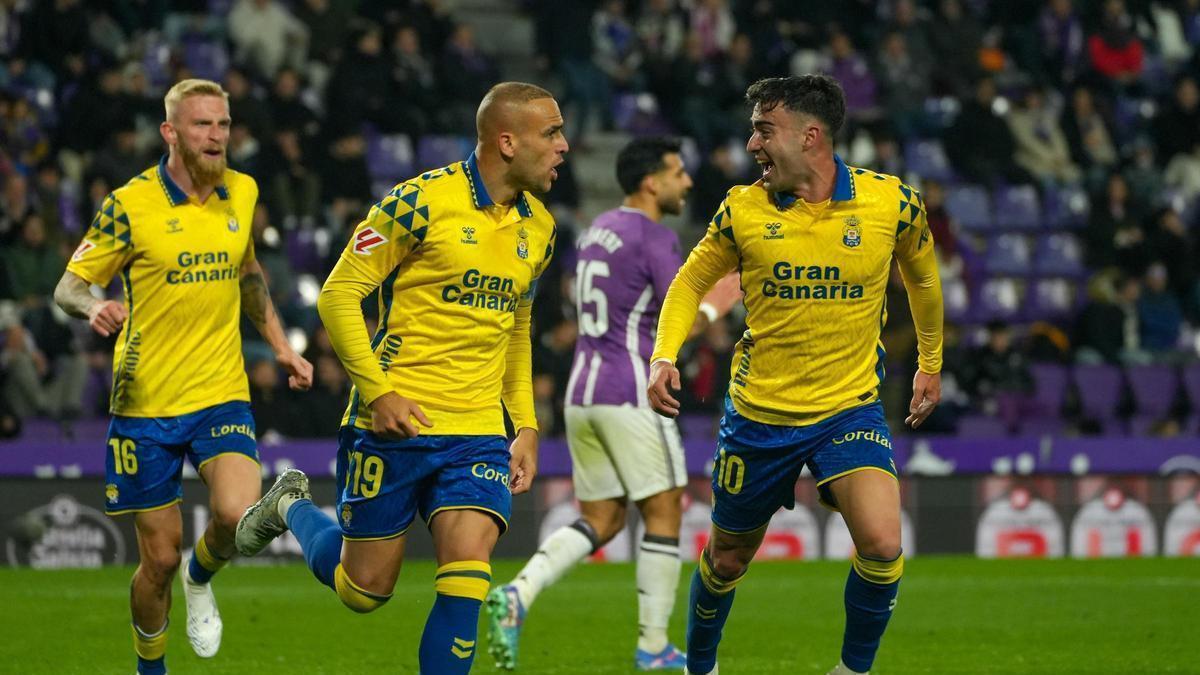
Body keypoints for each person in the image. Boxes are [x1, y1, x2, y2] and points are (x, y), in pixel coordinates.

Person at [235, 81, 567, 675]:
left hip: (476, 433)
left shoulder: (539, 227)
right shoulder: (418, 202)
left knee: (467, 575)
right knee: (363, 591)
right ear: (508, 141)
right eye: (552, 132)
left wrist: (526, 423)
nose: (565, 145)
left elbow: (516, 327)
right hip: (393, 422)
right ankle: (291, 506)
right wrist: (377, 391)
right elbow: (339, 295)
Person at [647, 75, 943, 675]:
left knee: (884, 545)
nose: (752, 144)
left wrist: (930, 363)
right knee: (728, 560)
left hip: (848, 408)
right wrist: (662, 354)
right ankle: (698, 666)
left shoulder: (892, 203)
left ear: (810, 136)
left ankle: (852, 669)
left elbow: (924, 278)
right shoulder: (743, 209)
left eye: (763, 129)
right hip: (761, 415)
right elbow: (689, 282)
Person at [52, 78, 314, 675]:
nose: (217, 136)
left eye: (223, 124)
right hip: (145, 403)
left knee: (235, 515)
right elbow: (68, 283)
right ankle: (151, 666)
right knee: (158, 562)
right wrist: (94, 307)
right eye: (202, 125)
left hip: (222, 392)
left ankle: (203, 577)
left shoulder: (242, 192)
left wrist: (281, 348)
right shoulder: (130, 204)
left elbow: (248, 274)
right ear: (171, 132)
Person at [485, 137, 742, 671]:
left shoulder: (598, 229)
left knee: (602, 519)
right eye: (677, 172)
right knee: (666, 505)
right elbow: (677, 324)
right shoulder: (655, 237)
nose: (686, 183)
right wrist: (718, 305)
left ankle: (518, 594)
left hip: (584, 391)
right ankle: (653, 647)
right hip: (630, 390)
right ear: (651, 181)